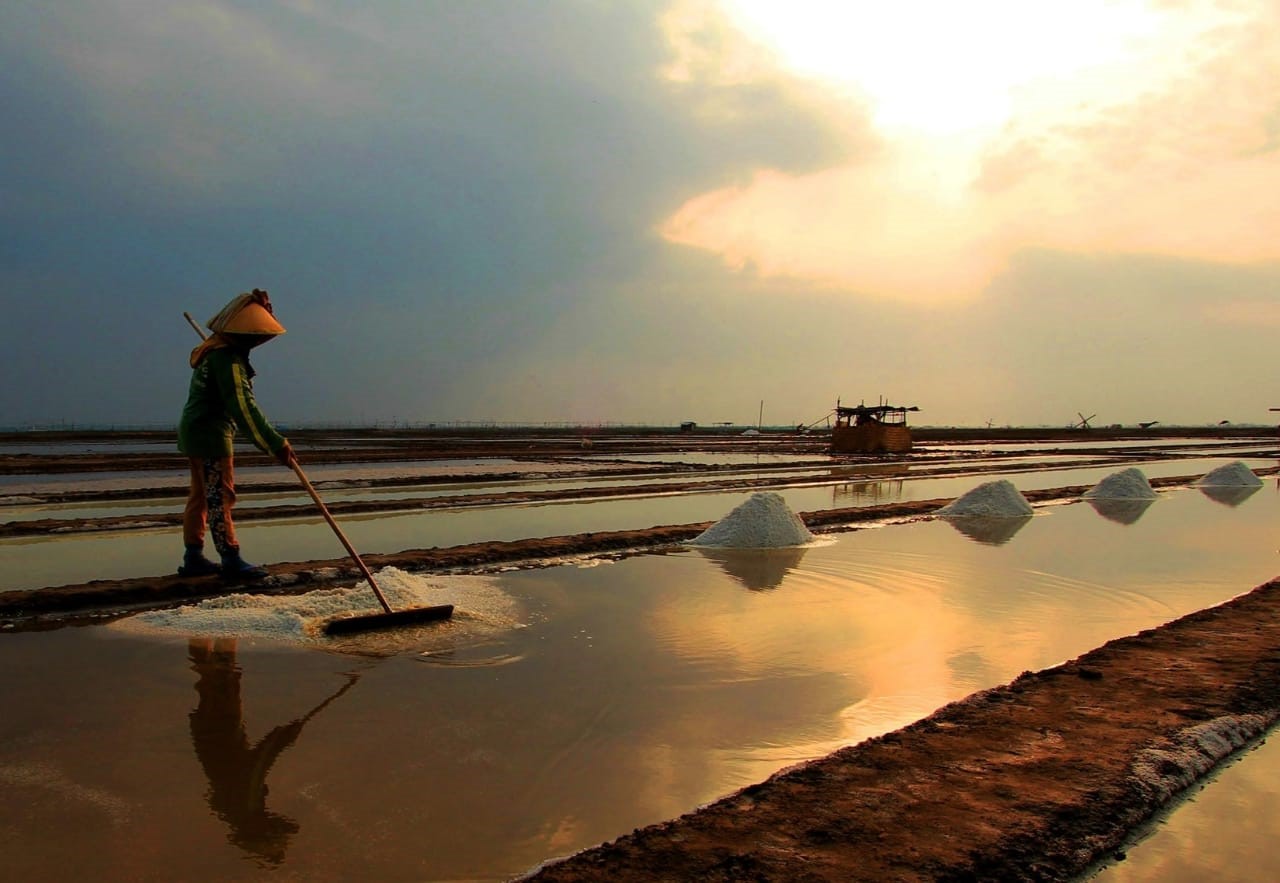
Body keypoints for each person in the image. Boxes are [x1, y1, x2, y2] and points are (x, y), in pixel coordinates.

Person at [177, 289, 296, 579]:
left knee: (201, 496)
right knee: (220, 495)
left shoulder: (216, 351)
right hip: (210, 435)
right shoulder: (226, 359)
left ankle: (193, 556)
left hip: (196, 431)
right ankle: (230, 558)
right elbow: (244, 408)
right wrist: (275, 444)